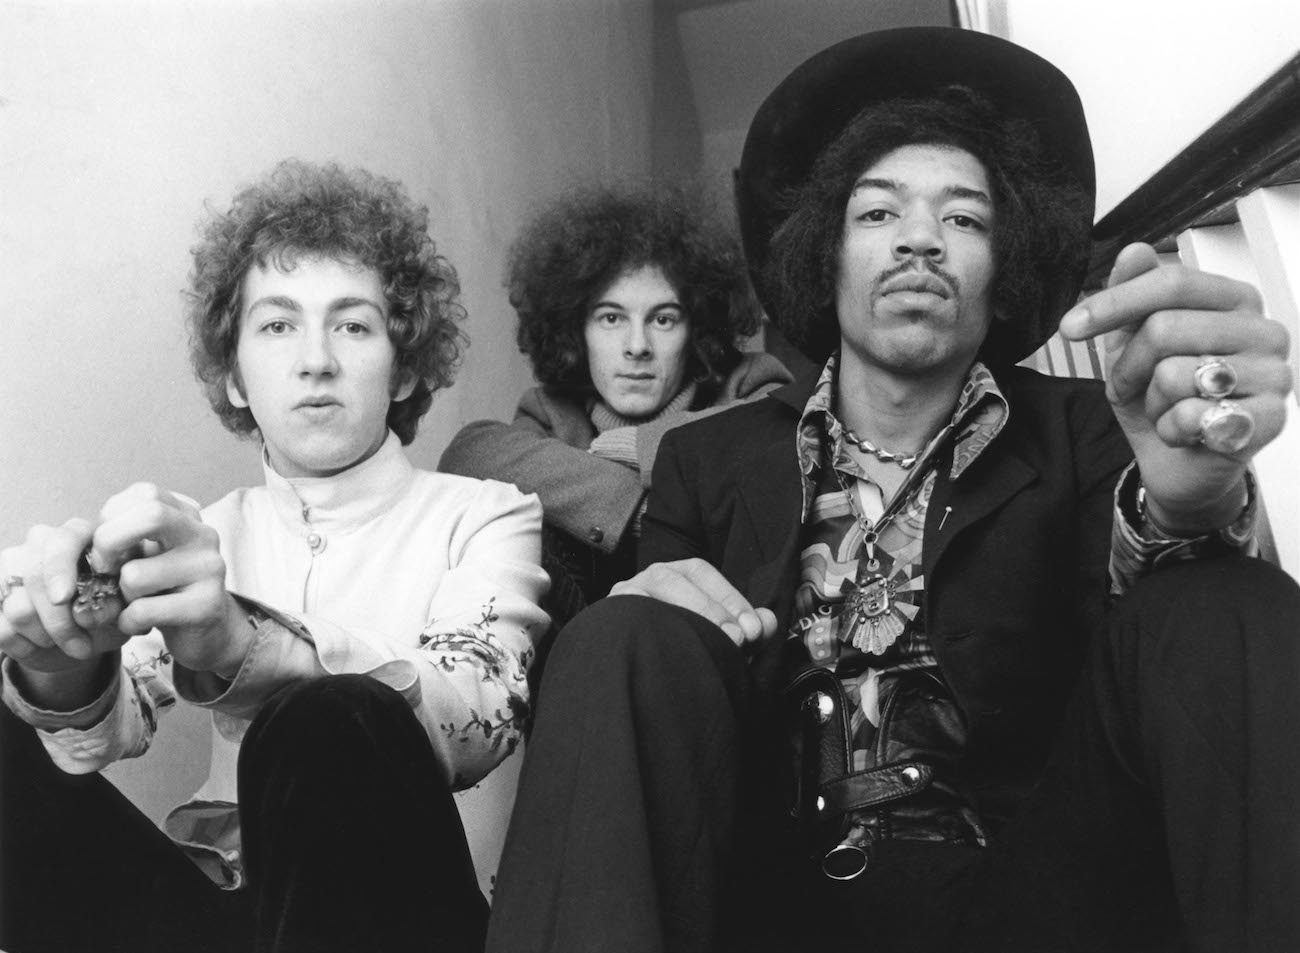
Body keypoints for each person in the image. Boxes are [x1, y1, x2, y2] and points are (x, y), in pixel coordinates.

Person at [485, 28, 1299, 953]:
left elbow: (1158, 650)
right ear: (820, 259)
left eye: (964, 218)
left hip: (1031, 887)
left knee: (1222, 597)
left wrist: (1192, 509)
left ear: (1004, 274)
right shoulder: (705, 462)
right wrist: (632, 615)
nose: (920, 237)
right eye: (878, 215)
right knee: (618, 633)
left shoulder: (1093, 426)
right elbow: (673, 703)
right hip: (770, 893)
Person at [0, 159, 550, 953]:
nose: (316, 359)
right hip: (213, 920)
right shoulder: (205, 531)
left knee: (331, 717)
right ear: (233, 376)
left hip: (401, 914)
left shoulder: (487, 512)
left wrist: (238, 646)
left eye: (353, 325)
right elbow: (110, 731)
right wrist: (60, 666)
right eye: (278, 324)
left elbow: (474, 714)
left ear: (404, 367)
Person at [439, 186, 791, 615]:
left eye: (663, 319)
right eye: (611, 318)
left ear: (696, 328)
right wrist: (640, 507)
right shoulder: (551, 413)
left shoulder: (749, 382)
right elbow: (469, 455)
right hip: (582, 638)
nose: (637, 345)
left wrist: (635, 448)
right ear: (576, 330)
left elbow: (783, 435)